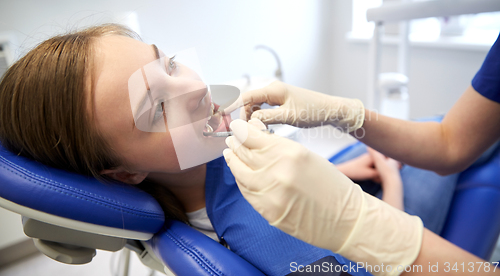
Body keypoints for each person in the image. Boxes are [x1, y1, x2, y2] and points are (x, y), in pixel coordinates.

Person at [0, 23, 386, 276]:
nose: (198, 88)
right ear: (124, 175)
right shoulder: (263, 229)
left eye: (169, 65)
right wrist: (390, 177)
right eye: (158, 109)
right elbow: (395, 258)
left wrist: (337, 176)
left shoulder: (213, 167)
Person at [222, 31, 500, 276]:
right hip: (391, 207)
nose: (201, 91)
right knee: (480, 142)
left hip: (362, 183)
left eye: (175, 65)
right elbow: (450, 141)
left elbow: (452, 139)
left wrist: (338, 165)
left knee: (451, 127)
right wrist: (390, 180)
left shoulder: (222, 187)